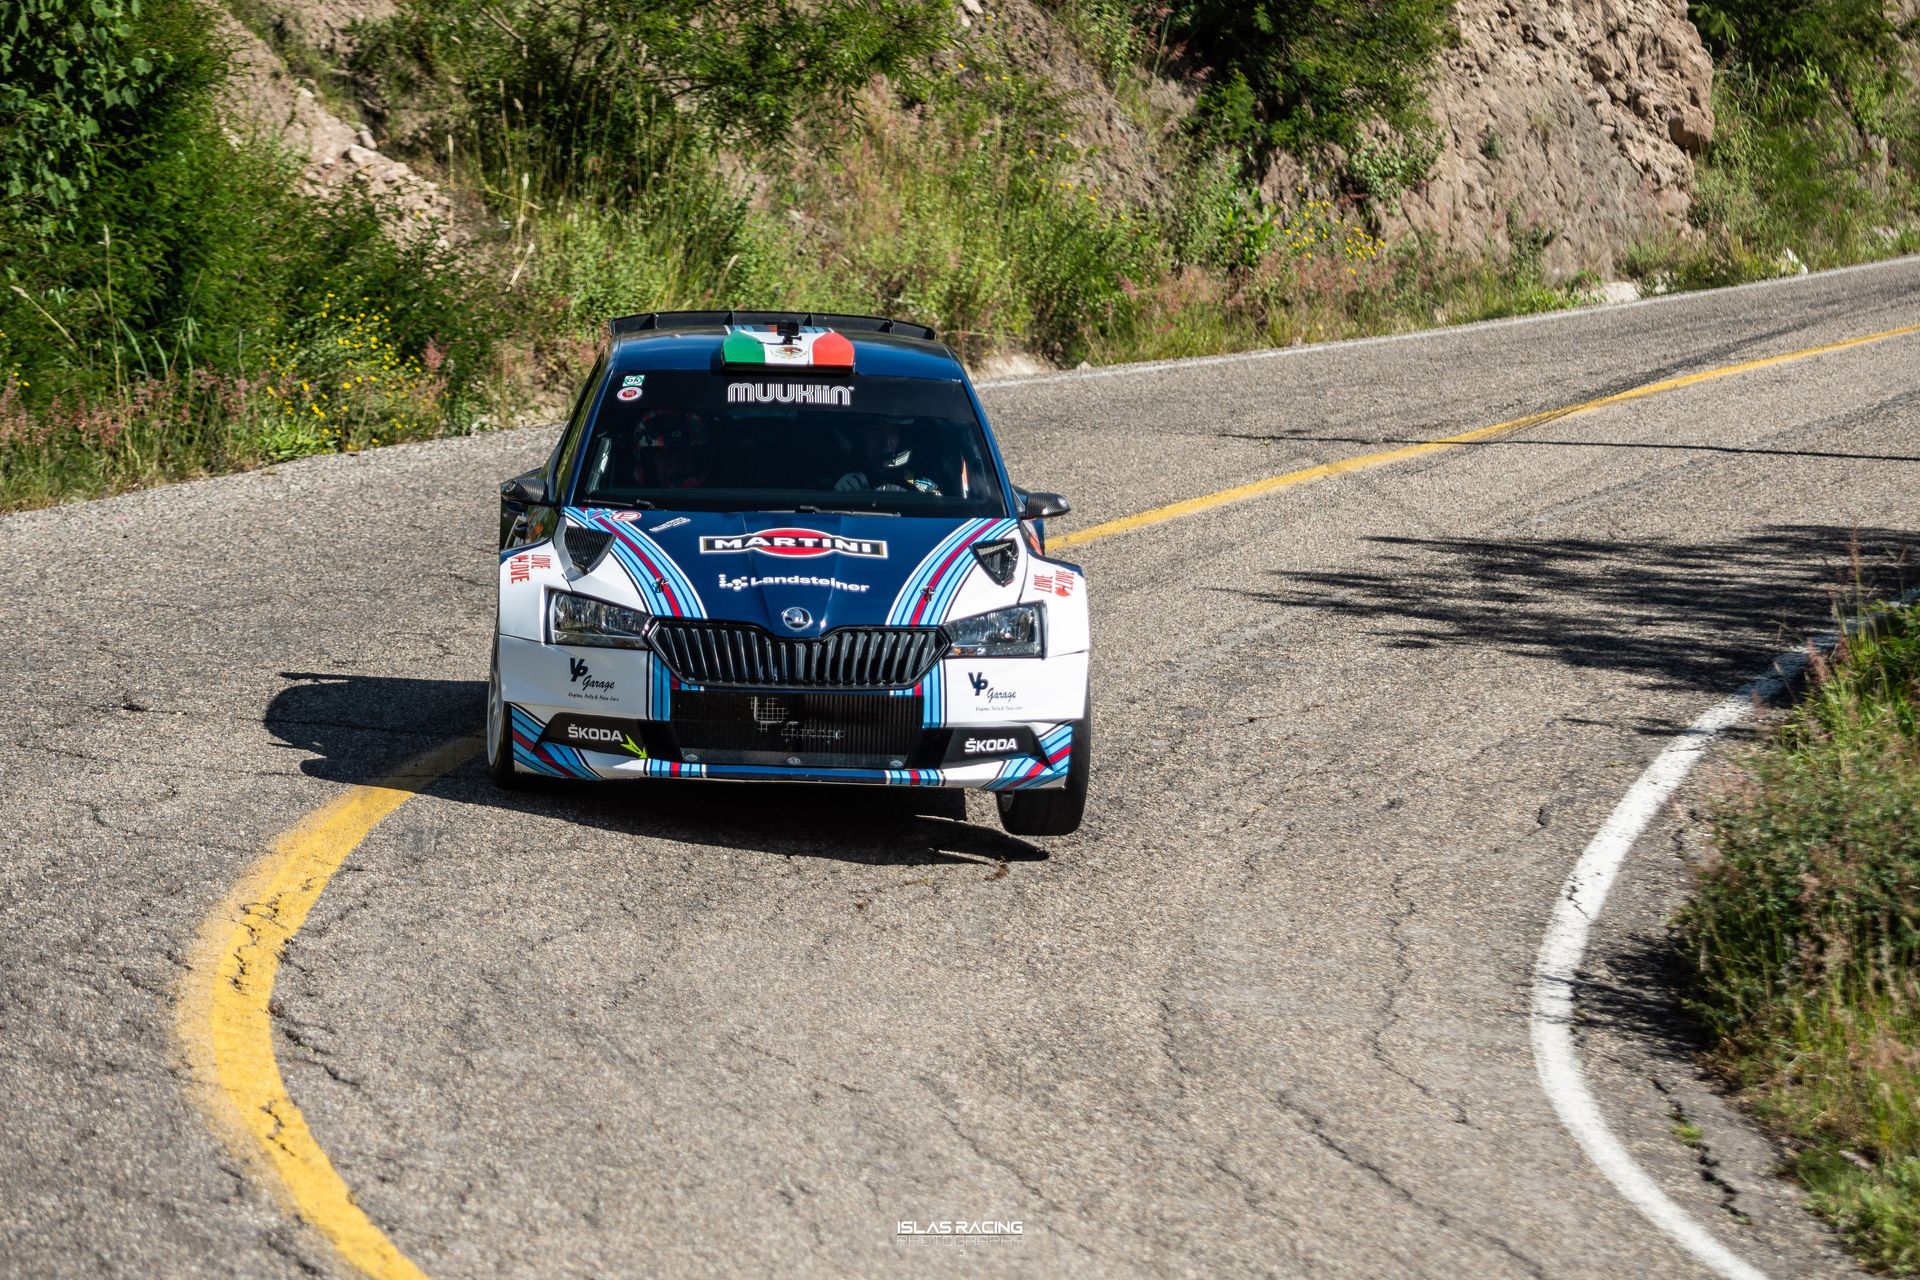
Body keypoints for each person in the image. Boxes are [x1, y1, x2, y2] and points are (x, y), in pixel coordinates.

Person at [833, 418, 942, 494]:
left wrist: (929, 491)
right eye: (876, 432)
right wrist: (838, 494)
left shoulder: (910, 477)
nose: (886, 442)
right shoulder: (836, 475)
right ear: (862, 437)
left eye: (892, 431)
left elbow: (940, 499)